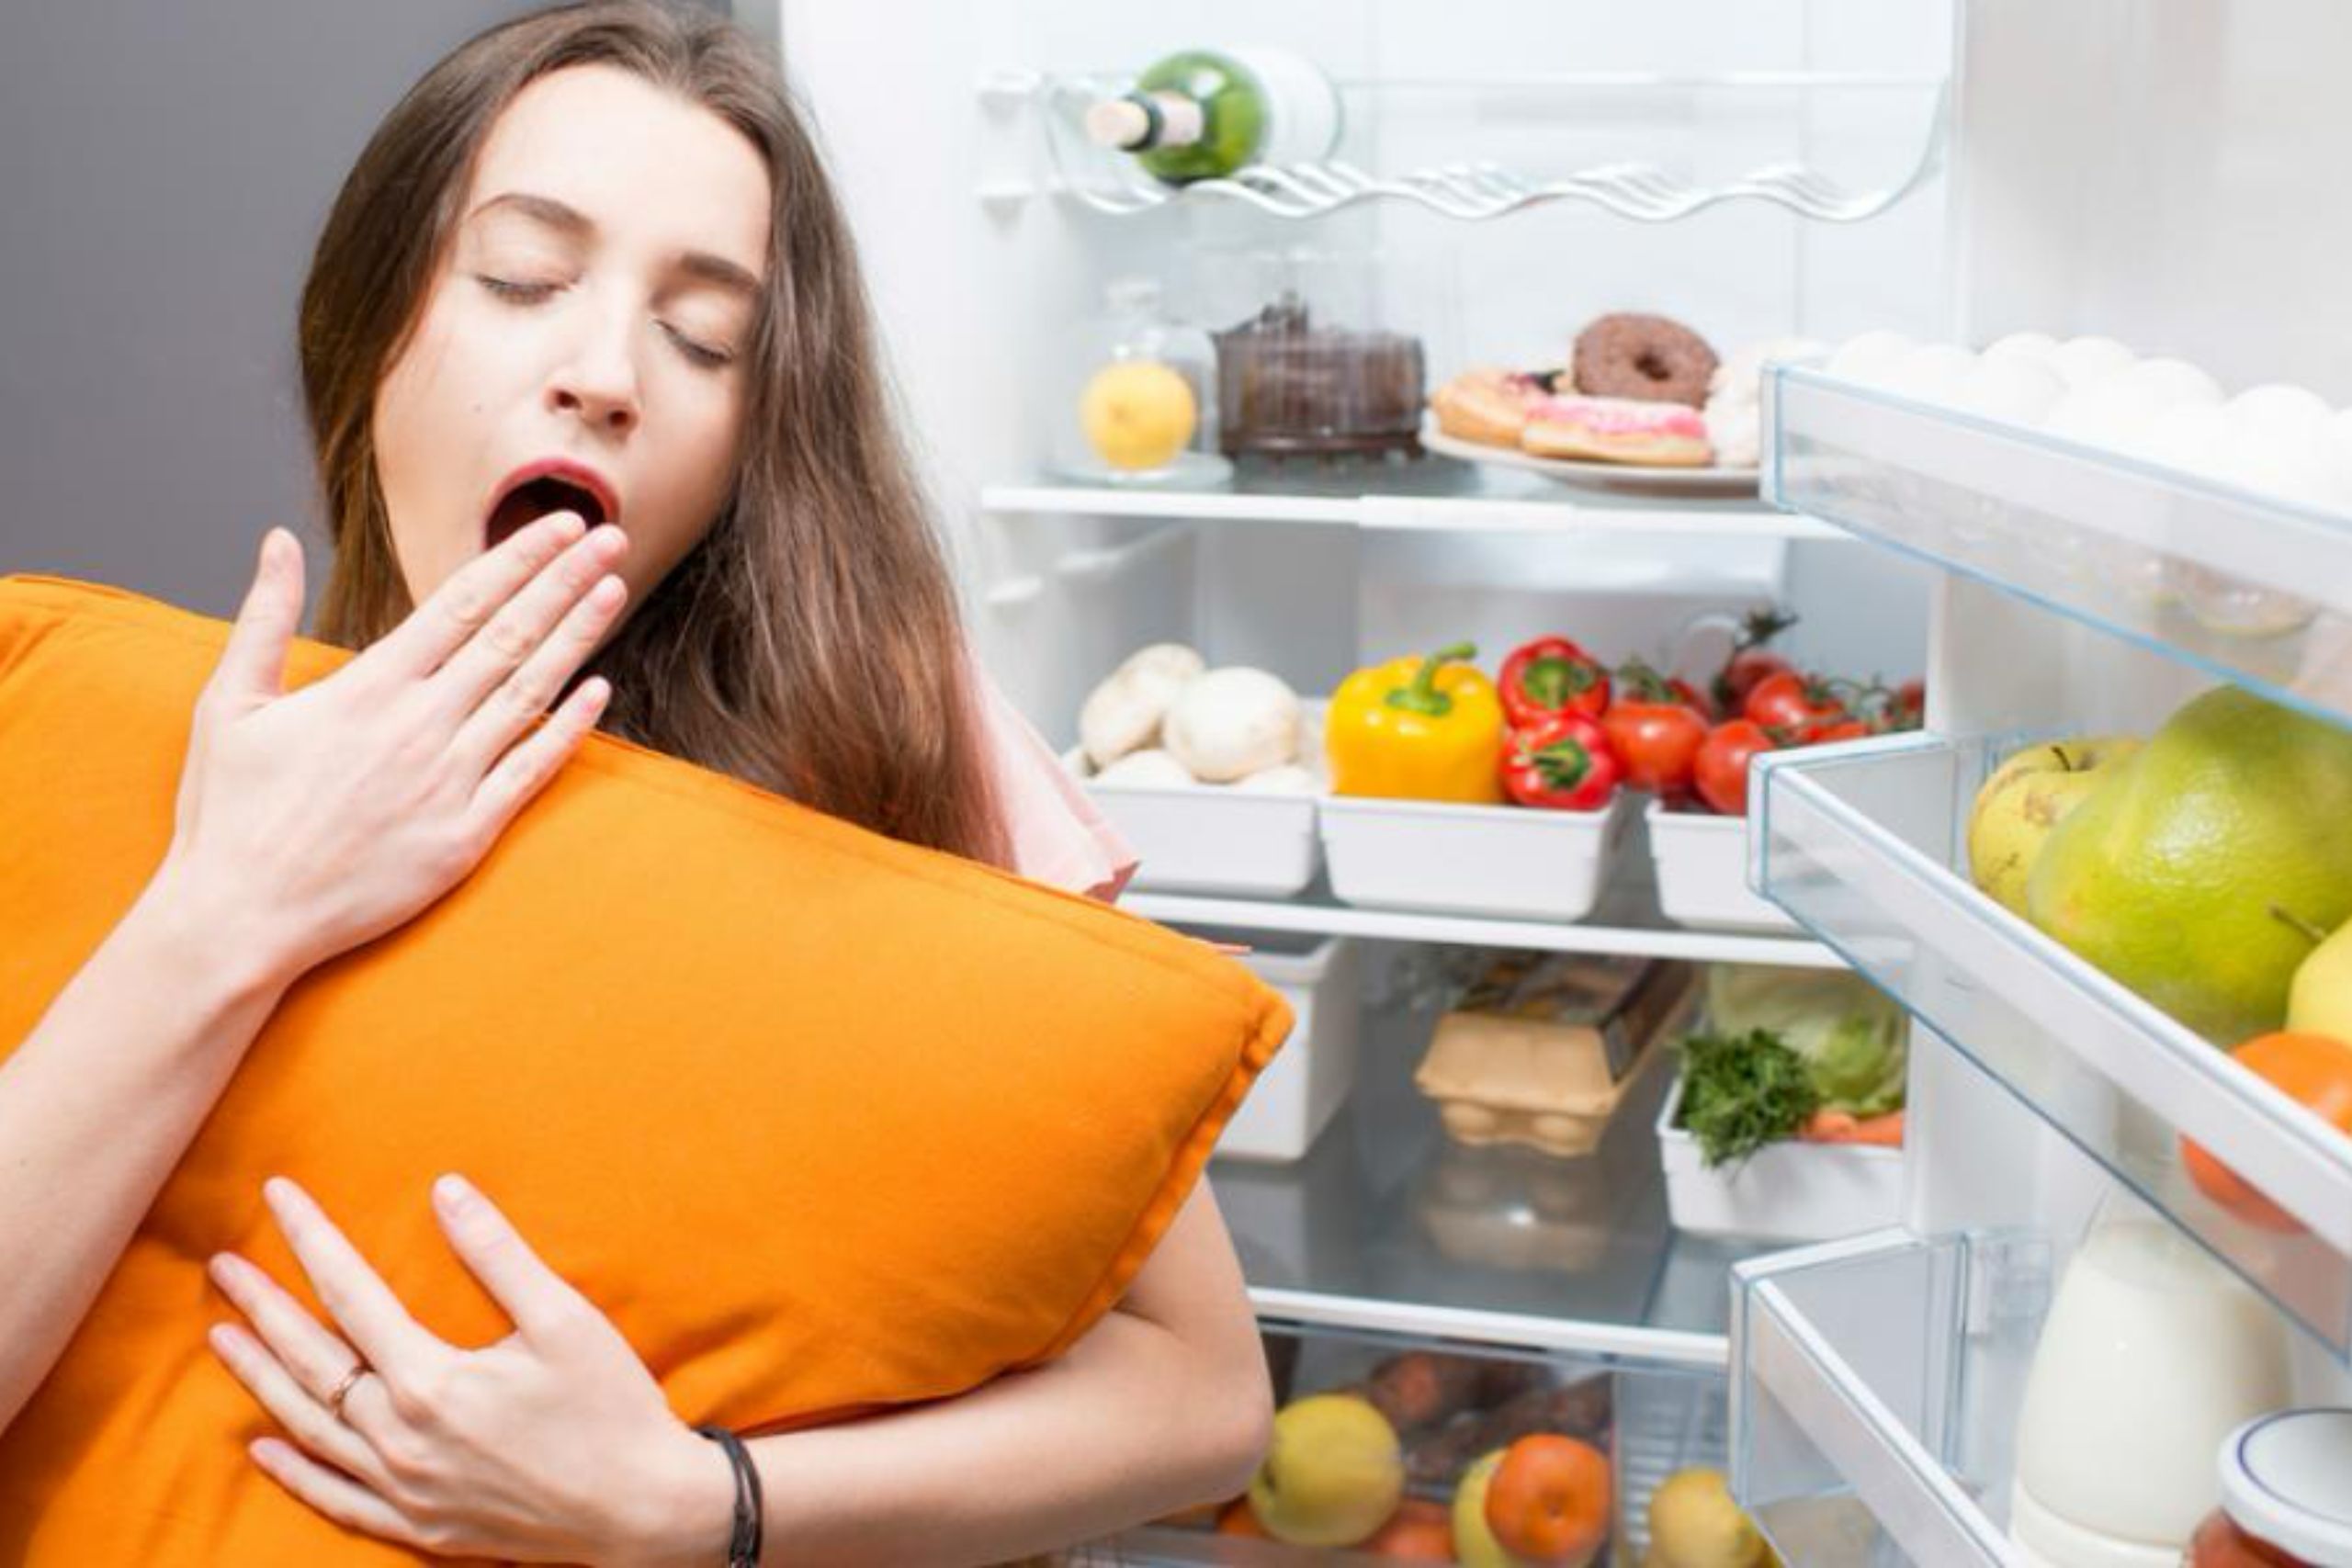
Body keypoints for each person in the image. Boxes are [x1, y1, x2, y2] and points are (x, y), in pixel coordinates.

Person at [0, 3, 1273, 1562]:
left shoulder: (884, 728)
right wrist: (229, 908)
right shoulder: (139, 752)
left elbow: (1208, 1402)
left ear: (752, 431)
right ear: (371, 322)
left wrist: (694, 1506)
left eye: (703, 337)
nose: (607, 372)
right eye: (525, 278)